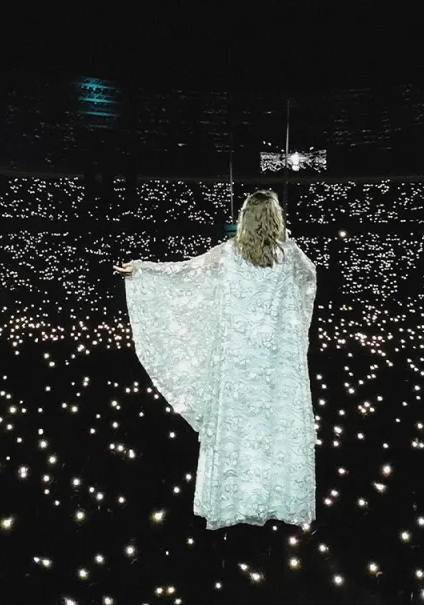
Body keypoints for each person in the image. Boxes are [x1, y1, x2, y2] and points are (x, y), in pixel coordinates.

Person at [114, 190, 317, 531]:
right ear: (276, 218)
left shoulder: (229, 255)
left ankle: (234, 498)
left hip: (237, 362)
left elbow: (183, 273)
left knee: (240, 427)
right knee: (272, 427)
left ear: (245, 219)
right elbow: (308, 281)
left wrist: (141, 271)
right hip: (275, 363)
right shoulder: (290, 256)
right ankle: (275, 496)